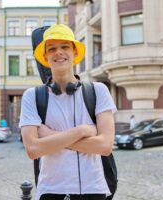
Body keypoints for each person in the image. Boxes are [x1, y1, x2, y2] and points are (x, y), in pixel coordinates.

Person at [19, 24, 117, 200]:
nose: (59, 52)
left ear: (74, 52)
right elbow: (33, 150)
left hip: (93, 189)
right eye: (52, 48)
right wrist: (82, 131)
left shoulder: (98, 91)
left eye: (64, 47)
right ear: (45, 56)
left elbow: (105, 146)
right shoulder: (32, 96)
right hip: (51, 190)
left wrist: (50, 136)